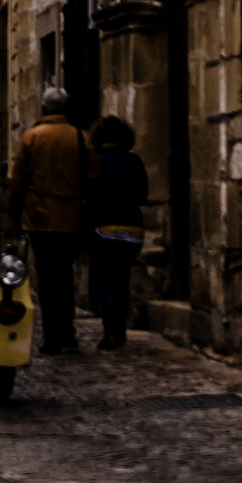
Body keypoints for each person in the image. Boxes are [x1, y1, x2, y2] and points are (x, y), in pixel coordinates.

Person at [6, 85, 95, 355]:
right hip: (70, 217)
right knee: (64, 276)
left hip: (39, 217)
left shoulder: (32, 137)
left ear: (44, 108)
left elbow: (19, 179)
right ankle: (67, 331)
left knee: (46, 278)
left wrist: (14, 213)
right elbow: (93, 178)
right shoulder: (81, 138)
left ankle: (51, 337)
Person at [88, 115, 147, 350]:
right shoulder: (133, 161)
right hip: (132, 230)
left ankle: (110, 331)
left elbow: (90, 196)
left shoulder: (94, 162)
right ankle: (119, 328)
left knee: (107, 282)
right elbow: (143, 195)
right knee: (121, 278)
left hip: (105, 230)